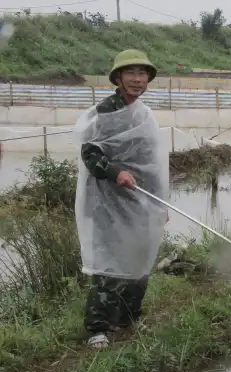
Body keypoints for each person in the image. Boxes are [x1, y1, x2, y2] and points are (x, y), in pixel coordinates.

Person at [75, 49, 168, 349]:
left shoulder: (144, 115)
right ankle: (97, 328)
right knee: (110, 267)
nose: (137, 79)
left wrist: (160, 203)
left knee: (140, 262)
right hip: (107, 202)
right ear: (118, 77)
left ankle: (127, 319)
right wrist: (116, 172)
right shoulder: (104, 112)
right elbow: (90, 153)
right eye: (131, 73)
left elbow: (153, 164)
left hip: (140, 201)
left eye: (142, 74)